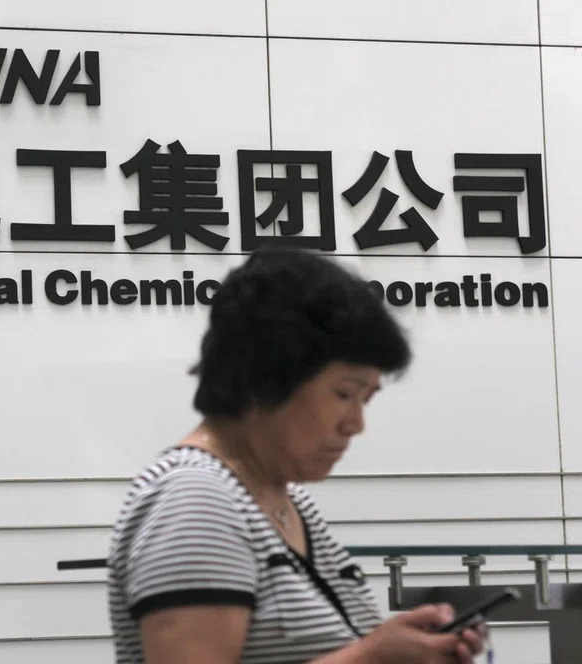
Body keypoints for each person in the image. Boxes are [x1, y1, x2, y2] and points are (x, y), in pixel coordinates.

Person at [107, 248, 486, 664]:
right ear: (266, 378)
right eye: (344, 394)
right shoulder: (197, 499)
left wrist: (408, 652)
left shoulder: (286, 499)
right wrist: (373, 657)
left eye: (366, 399)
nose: (355, 424)